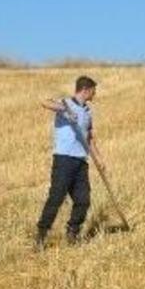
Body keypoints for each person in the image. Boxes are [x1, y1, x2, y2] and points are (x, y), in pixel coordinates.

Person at [35, 75, 107, 248]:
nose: (94, 95)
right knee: (56, 198)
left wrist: (98, 158)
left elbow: (89, 137)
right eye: (93, 91)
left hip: (81, 161)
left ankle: (72, 232)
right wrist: (64, 110)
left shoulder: (88, 112)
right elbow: (44, 102)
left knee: (83, 200)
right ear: (86, 90)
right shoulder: (66, 103)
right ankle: (41, 234)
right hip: (63, 159)